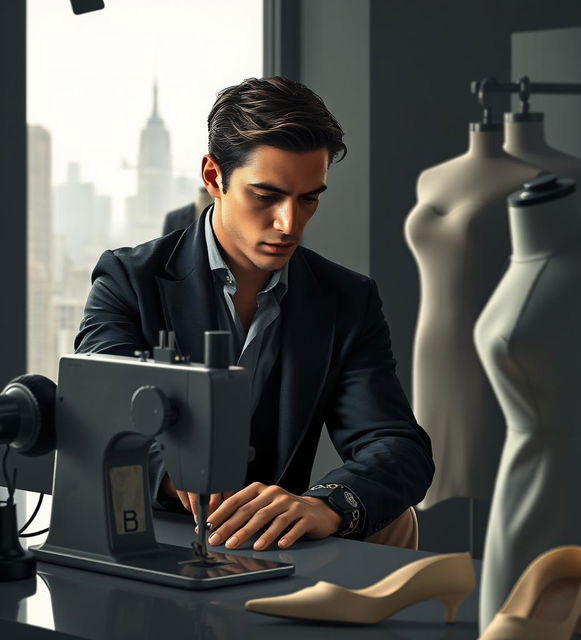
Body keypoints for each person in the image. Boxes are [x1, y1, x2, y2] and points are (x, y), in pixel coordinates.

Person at [74, 76, 434, 552]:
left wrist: (324, 504)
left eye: (309, 198)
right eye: (265, 196)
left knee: (394, 518)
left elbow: (396, 444)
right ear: (213, 177)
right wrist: (175, 475)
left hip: (273, 543)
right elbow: (95, 416)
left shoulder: (346, 298)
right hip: (152, 531)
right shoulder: (128, 280)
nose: (290, 224)